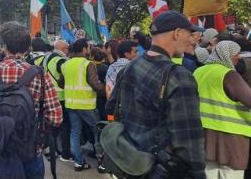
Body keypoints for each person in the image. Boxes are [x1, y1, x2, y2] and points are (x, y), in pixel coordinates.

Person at [106, 10, 206, 179]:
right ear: (177, 33)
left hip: (132, 164)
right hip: (160, 169)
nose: (191, 39)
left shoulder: (130, 66)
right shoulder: (179, 76)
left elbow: (111, 107)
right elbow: (188, 140)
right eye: (190, 34)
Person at [0, 21, 63, 179]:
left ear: (4, 47)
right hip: (30, 151)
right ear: (28, 48)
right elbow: (56, 117)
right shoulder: (39, 74)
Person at [193, 40, 251, 179]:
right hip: (230, 137)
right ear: (226, 54)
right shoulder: (229, 75)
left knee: (209, 173)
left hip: (204, 133)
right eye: (236, 54)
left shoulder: (198, 71)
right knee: (231, 174)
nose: (239, 57)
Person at [61, 38, 105, 172]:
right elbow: (95, 84)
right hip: (86, 105)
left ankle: (78, 163)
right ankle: (102, 163)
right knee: (97, 132)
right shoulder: (88, 64)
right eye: (88, 47)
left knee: (75, 132)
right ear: (85, 49)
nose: (90, 49)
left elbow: (60, 82)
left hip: (71, 104)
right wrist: (105, 89)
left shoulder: (66, 64)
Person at [33, 40, 72, 162]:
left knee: (49, 126)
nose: (68, 51)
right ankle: (65, 153)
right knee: (64, 126)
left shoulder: (42, 58)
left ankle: (50, 151)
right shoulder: (61, 60)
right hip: (60, 97)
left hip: (45, 96)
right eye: (66, 49)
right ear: (62, 49)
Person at [90, 47, 109, 121]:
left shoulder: (90, 67)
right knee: (104, 112)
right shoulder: (106, 67)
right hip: (104, 93)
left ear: (92, 56)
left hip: (93, 94)